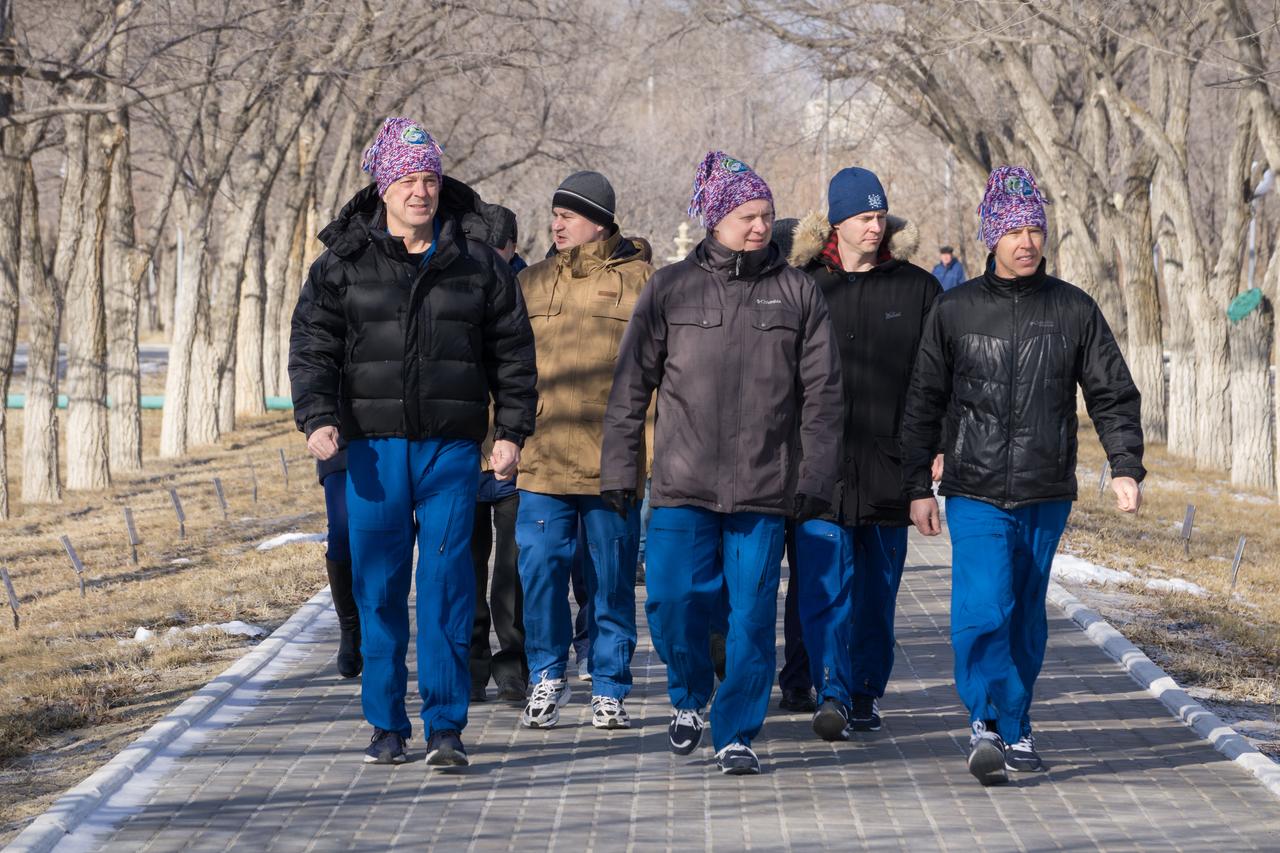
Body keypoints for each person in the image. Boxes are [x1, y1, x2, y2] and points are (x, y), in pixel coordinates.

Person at [289, 116, 537, 767]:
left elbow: (512, 349)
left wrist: (510, 429)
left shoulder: (476, 261)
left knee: (450, 584)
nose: (420, 191)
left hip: (450, 452)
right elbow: (312, 345)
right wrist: (317, 415)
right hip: (372, 450)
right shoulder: (342, 263)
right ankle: (385, 724)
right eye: (408, 178)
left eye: (429, 178)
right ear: (384, 182)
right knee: (378, 589)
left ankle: (446, 726)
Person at [901, 165, 1144, 785]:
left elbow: (1111, 392)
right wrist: (915, 487)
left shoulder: (1073, 309)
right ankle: (985, 721)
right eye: (1014, 230)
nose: (1027, 241)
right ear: (991, 236)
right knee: (983, 608)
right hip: (974, 487)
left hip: (1044, 487)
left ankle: (1017, 721)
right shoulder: (954, 310)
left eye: (1035, 228)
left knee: (1026, 617)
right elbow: (924, 400)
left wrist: (1124, 466)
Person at [601, 151, 842, 775]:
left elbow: (823, 396)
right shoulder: (671, 288)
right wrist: (621, 469)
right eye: (745, 216)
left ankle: (736, 731)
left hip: (764, 487)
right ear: (714, 219)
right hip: (682, 483)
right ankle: (687, 697)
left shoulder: (797, 291)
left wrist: (814, 476)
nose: (759, 227)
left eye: (765, 215)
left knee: (754, 615)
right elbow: (631, 387)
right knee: (674, 602)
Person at [784, 167, 942, 740]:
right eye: (863, 218)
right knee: (825, 586)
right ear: (837, 222)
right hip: (818, 467)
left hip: (889, 466)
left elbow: (937, 380)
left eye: (881, 216)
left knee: (876, 594)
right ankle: (830, 690)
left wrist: (932, 453)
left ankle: (864, 692)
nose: (875, 227)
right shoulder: (805, 285)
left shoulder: (917, 288)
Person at [515, 170, 654, 731]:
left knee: (611, 576)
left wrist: (652, 455)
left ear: (597, 219)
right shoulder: (530, 282)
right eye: (555, 214)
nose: (556, 224)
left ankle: (609, 682)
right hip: (542, 457)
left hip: (613, 460)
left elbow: (658, 376)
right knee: (541, 569)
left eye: (567, 215)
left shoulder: (644, 282)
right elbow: (506, 369)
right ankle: (546, 675)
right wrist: (498, 442)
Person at [466, 203, 530, 705]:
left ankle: (513, 664)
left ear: (512, 250)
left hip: (517, 448)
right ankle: (470, 662)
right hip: (465, 451)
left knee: (511, 568)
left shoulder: (529, 291)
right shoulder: (456, 284)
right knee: (466, 565)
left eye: (496, 253)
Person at [318, 444, 359, 679]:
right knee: (341, 533)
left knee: (382, 535)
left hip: (391, 436)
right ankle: (350, 626)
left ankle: (376, 623)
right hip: (340, 443)